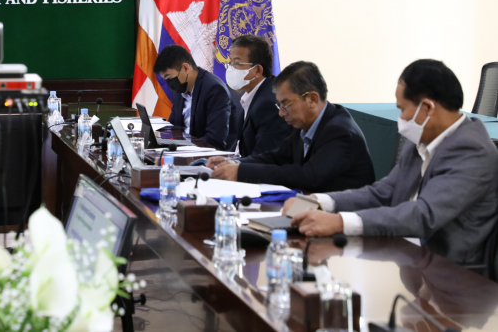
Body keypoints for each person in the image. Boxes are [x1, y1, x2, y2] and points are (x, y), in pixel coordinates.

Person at [288, 59, 498, 266]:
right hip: (409, 258)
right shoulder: (421, 140)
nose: (401, 120)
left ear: (427, 108)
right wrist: (320, 201)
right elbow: (384, 192)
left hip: (456, 273)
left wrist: (340, 222)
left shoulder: (472, 150)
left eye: (402, 109)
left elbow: (424, 215)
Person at [209, 61, 375, 192]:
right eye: (279, 105)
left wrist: (242, 172)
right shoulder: (305, 125)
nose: (281, 113)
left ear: (312, 99)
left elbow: (308, 176)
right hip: (312, 208)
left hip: (343, 215)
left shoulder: (339, 131)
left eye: (286, 104)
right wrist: (233, 163)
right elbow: (276, 157)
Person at [154, 45, 233, 149]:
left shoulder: (214, 89)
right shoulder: (179, 89)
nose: (169, 83)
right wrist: (158, 137)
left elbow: (214, 139)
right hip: (183, 149)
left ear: (186, 68)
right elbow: (173, 126)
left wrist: (183, 146)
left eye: (170, 77)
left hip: (205, 153)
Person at [224, 35, 291, 157]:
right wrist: (224, 159)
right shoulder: (253, 94)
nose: (231, 69)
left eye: (237, 63)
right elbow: (240, 145)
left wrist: (232, 164)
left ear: (258, 71)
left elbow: (264, 157)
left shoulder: (269, 104)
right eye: (230, 63)